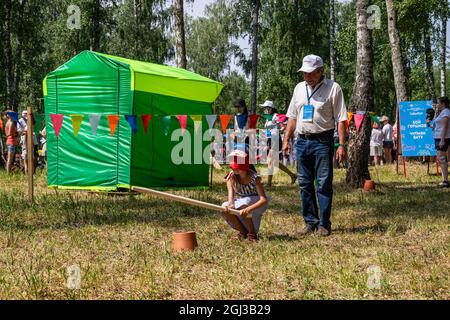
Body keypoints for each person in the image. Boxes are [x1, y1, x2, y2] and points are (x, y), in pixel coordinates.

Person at [283, 54, 347, 237]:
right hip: (301, 141)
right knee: (304, 183)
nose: (307, 77)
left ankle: (324, 224)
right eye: (304, 73)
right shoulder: (298, 89)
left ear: (321, 71)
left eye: (310, 73)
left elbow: (342, 119)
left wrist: (341, 145)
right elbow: (292, 116)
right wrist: (287, 139)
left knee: (324, 183)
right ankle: (310, 222)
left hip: (323, 141)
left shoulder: (334, 89)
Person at [222, 149, 269, 241]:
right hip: (244, 201)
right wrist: (230, 206)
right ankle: (243, 232)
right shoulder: (231, 177)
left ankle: (252, 233)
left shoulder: (254, 178)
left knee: (244, 203)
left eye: (237, 168)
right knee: (224, 206)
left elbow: (263, 199)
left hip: (257, 202)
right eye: (233, 167)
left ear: (244, 167)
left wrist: (248, 209)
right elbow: (230, 195)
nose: (234, 170)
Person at [261, 100, 297, 186]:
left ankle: (269, 183)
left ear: (270, 108)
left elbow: (284, 127)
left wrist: (276, 132)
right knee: (275, 162)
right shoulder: (268, 117)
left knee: (270, 161)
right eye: (264, 108)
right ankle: (292, 175)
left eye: (266, 108)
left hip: (275, 139)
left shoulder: (275, 116)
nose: (265, 109)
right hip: (270, 139)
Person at [428, 96, 450, 188]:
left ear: (443, 104)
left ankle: (445, 181)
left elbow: (445, 127)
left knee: (441, 158)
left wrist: (442, 140)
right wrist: (429, 124)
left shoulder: (446, 112)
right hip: (438, 137)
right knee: (441, 159)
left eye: (438, 103)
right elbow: (438, 127)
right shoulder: (442, 113)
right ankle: (444, 179)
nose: (437, 105)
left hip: (442, 138)